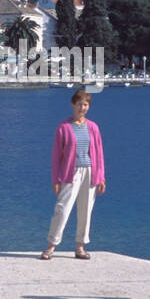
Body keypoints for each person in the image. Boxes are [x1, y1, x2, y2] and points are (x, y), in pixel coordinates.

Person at [42, 88, 106, 260]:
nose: (82, 108)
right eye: (79, 104)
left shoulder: (93, 127)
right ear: (73, 104)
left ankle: (80, 247)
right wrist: (55, 179)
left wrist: (101, 177)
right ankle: (51, 246)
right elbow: (56, 156)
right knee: (62, 209)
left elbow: (99, 153)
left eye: (85, 105)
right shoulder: (63, 127)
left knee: (86, 211)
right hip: (70, 173)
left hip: (90, 173)